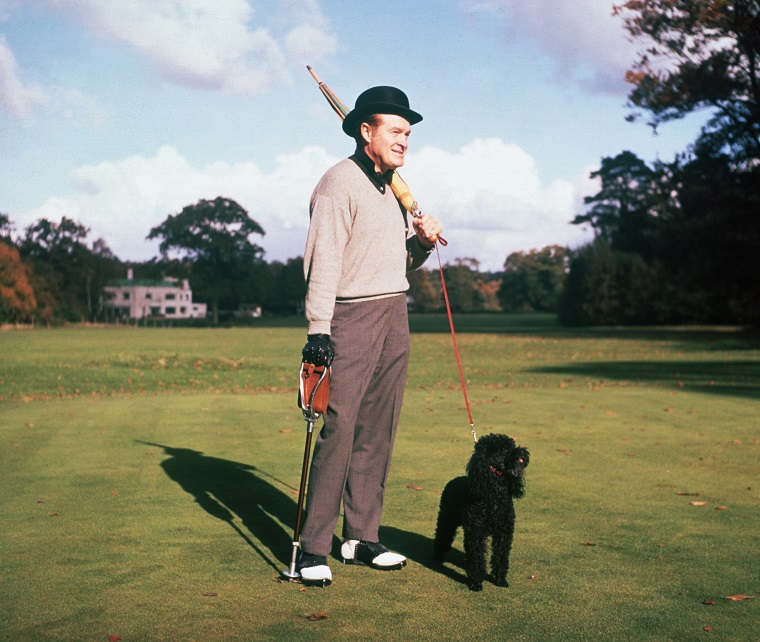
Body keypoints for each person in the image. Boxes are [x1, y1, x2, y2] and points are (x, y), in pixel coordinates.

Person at [297, 85, 442, 586]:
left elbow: (399, 260)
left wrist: (421, 245)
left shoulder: (394, 187)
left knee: (379, 429)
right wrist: (318, 328)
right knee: (339, 430)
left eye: (408, 133)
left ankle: (360, 536)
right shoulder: (338, 183)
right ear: (366, 130)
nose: (405, 140)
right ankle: (313, 548)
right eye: (396, 131)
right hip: (349, 317)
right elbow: (324, 259)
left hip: (394, 313)